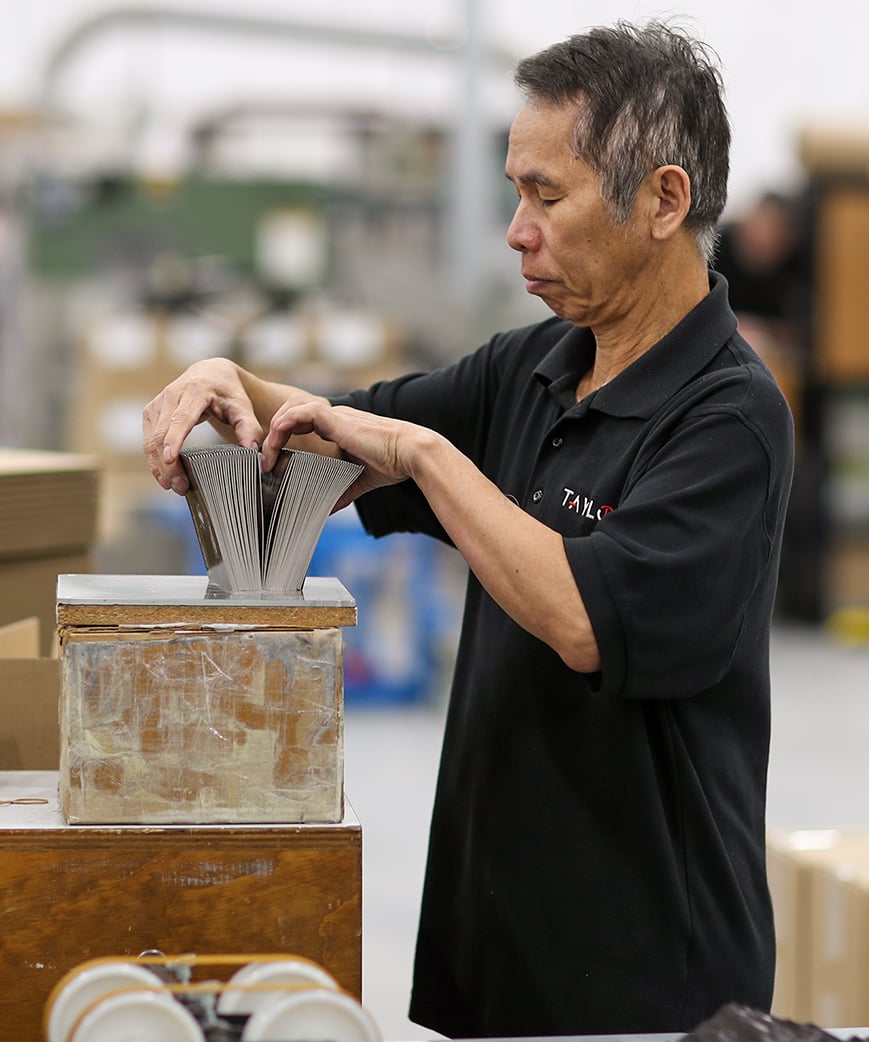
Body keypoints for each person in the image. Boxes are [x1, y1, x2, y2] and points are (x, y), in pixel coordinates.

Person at [143, 20, 794, 1038]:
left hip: (648, 975)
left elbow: (586, 615)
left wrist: (432, 457)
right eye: (513, 191)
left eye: (545, 194)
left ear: (662, 200)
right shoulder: (534, 365)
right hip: (497, 941)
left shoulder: (728, 419)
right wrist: (229, 382)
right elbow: (331, 432)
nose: (513, 230)